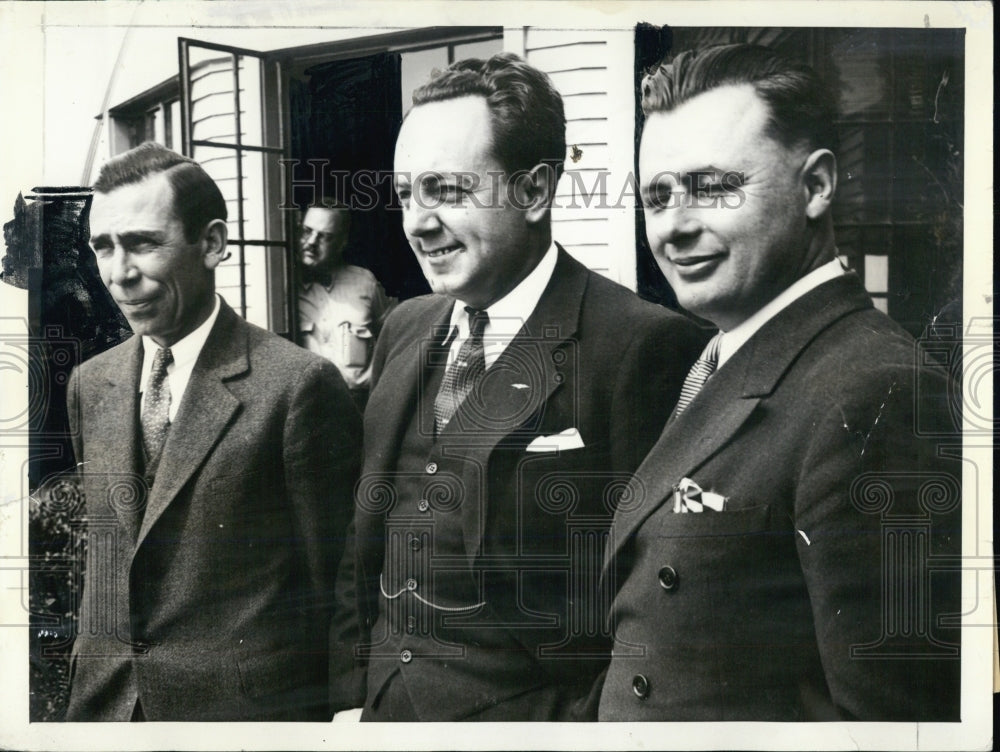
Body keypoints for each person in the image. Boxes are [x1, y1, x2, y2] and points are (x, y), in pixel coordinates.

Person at [328, 53, 707, 721]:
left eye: (446, 191)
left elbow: (661, 606)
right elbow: (362, 541)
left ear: (534, 191)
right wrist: (350, 698)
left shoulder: (643, 346)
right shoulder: (405, 327)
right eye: (408, 193)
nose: (416, 222)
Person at [598, 44, 961, 721]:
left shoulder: (876, 390)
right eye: (657, 195)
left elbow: (896, 724)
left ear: (817, 185)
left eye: (712, 188)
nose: (673, 227)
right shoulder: (718, 358)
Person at [65, 142, 362, 721]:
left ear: (213, 244)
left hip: (241, 720)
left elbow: (339, 584)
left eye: (144, 243)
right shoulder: (90, 383)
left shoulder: (297, 386)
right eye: (104, 246)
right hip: (104, 712)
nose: (120, 273)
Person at [297, 199, 394, 410]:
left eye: (325, 237)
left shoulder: (364, 282)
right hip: (308, 407)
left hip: (361, 406)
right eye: (307, 231)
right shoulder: (284, 286)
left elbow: (390, 337)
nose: (312, 242)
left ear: (341, 243)